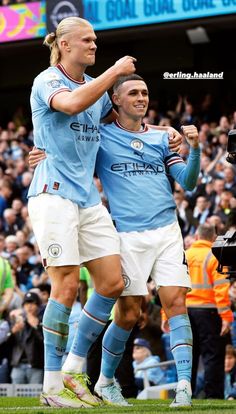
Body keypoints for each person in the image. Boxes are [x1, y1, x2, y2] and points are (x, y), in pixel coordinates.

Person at [29, 74, 199, 408]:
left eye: (145, 92)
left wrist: (194, 150)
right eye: (133, 92)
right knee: (128, 312)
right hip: (126, 233)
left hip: (167, 230)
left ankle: (183, 387)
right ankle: (103, 380)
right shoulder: (101, 137)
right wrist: (41, 154)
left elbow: (188, 182)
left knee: (176, 302)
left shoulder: (163, 139)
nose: (141, 97)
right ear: (115, 101)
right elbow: (70, 150)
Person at [27, 15, 138, 409]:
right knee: (67, 286)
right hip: (52, 194)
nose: (94, 45)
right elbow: (72, 103)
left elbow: (121, 126)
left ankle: (74, 369)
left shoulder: (97, 91)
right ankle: (52, 387)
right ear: (67, 44)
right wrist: (114, 71)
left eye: (96, 40)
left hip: (88, 199)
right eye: (88, 41)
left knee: (111, 283)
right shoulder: (48, 80)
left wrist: (166, 134)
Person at [185, 223, 233, 399]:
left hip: (185, 311)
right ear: (214, 238)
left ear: (196, 236)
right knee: (212, 355)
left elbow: (172, 288)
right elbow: (221, 289)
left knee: (188, 354)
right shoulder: (215, 256)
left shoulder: (184, 255)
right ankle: (213, 395)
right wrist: (226, 317)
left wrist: (166, 314)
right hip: (209, 312)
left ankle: (185, 393)